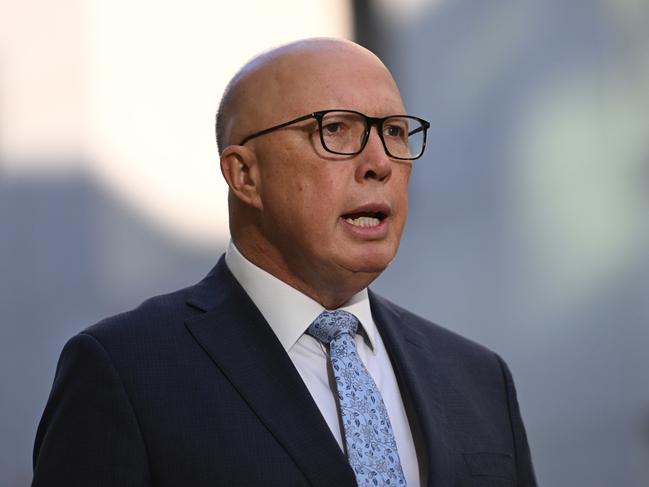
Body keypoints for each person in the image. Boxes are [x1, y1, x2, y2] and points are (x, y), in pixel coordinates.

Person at [32, 38, 536, 486]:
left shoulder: (478, 378)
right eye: (336, 129)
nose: (380, 162)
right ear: (245, 175)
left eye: (396, 132)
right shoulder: (125, 372)